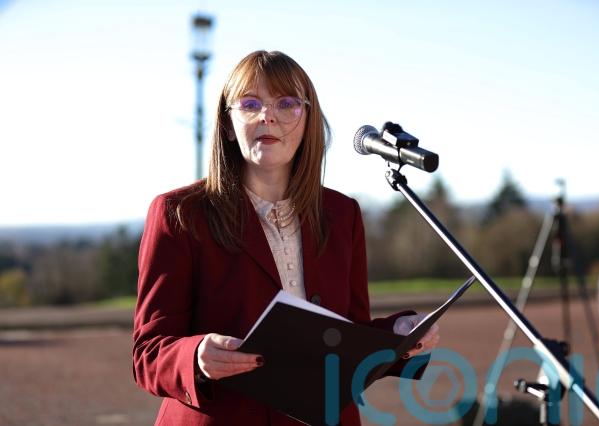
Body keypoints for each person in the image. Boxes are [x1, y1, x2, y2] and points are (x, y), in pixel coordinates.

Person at [132, 50, 440, 425]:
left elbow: (349, 335)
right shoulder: (179, 214)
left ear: (308, 120)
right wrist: (195, 356)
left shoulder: (342, 214)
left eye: (287, 103)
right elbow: (148, 354)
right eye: (250, 104)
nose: (268, 115)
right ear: (227, 125)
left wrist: (399, 335)